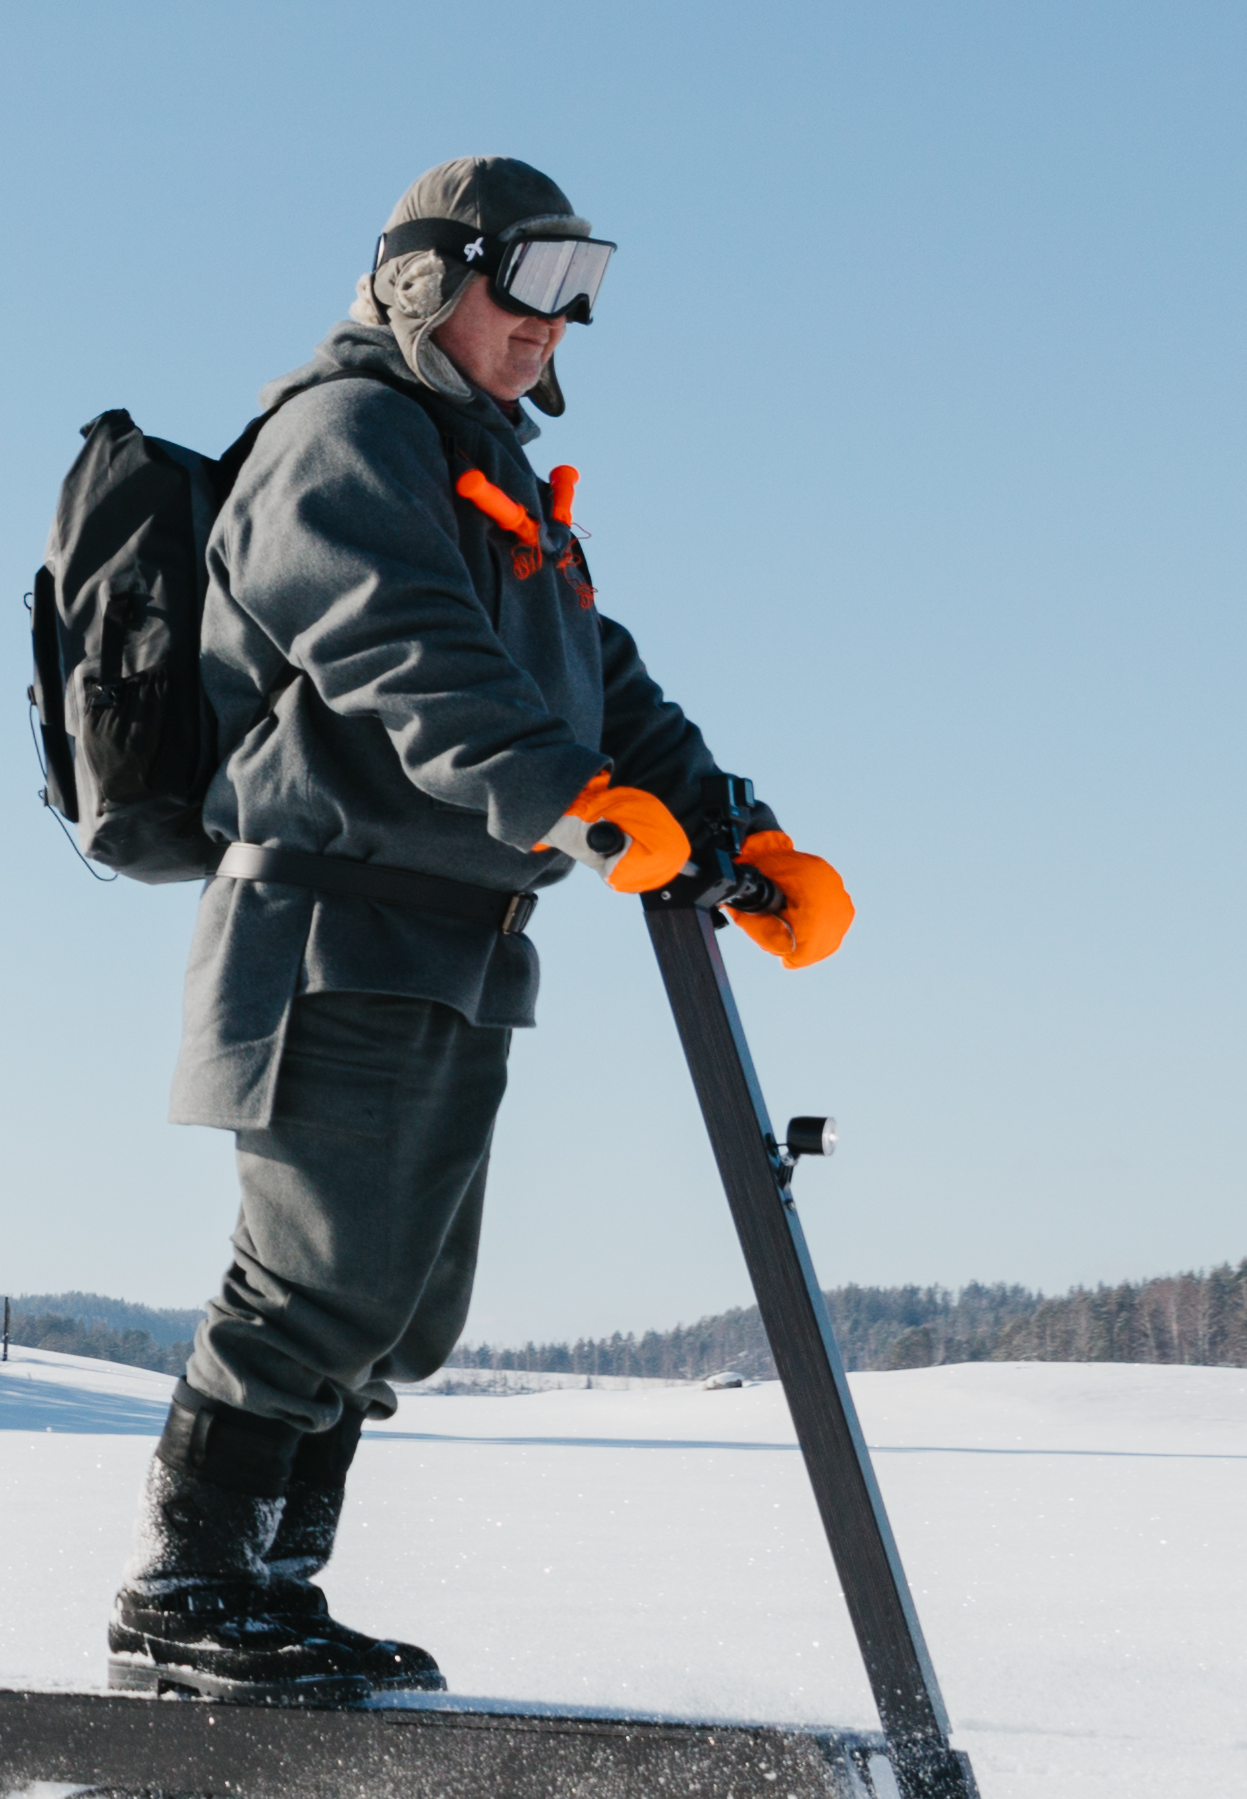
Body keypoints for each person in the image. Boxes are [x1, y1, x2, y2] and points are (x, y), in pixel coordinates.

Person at [126, 156, 858, 1696]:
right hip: (327, 926)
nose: (552, 327)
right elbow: (395, 646)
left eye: (580, 297)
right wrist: (564, 797)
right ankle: (191, 1593)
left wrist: (735, 832)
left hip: (459, 938)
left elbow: (602, 682)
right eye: (528, 286)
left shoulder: (496, 481)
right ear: (426, 277)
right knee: (317, 1277)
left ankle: (273, 1593)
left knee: (395, 1308)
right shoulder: (342, 437)